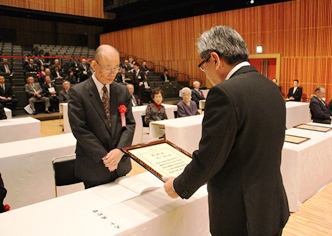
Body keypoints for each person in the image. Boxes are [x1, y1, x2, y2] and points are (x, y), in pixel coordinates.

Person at [163, 26, 289, 235]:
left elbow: (210, 157)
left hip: (240, 213)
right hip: (270, 204)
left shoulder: (224, 93)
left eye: (203, 66)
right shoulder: (270, 87)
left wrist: (178, 186)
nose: (205, 73)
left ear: (215, 58)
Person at [68, 44, 135, 189]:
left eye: (116, 67)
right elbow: (80, 129)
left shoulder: (122, 91)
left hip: (121, 163)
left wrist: (120, 151)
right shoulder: (78, 92)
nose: (113, 73)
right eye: (107, 68)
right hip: (94, 165)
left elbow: (130, 124)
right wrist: (106, 158)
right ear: (94, 65)